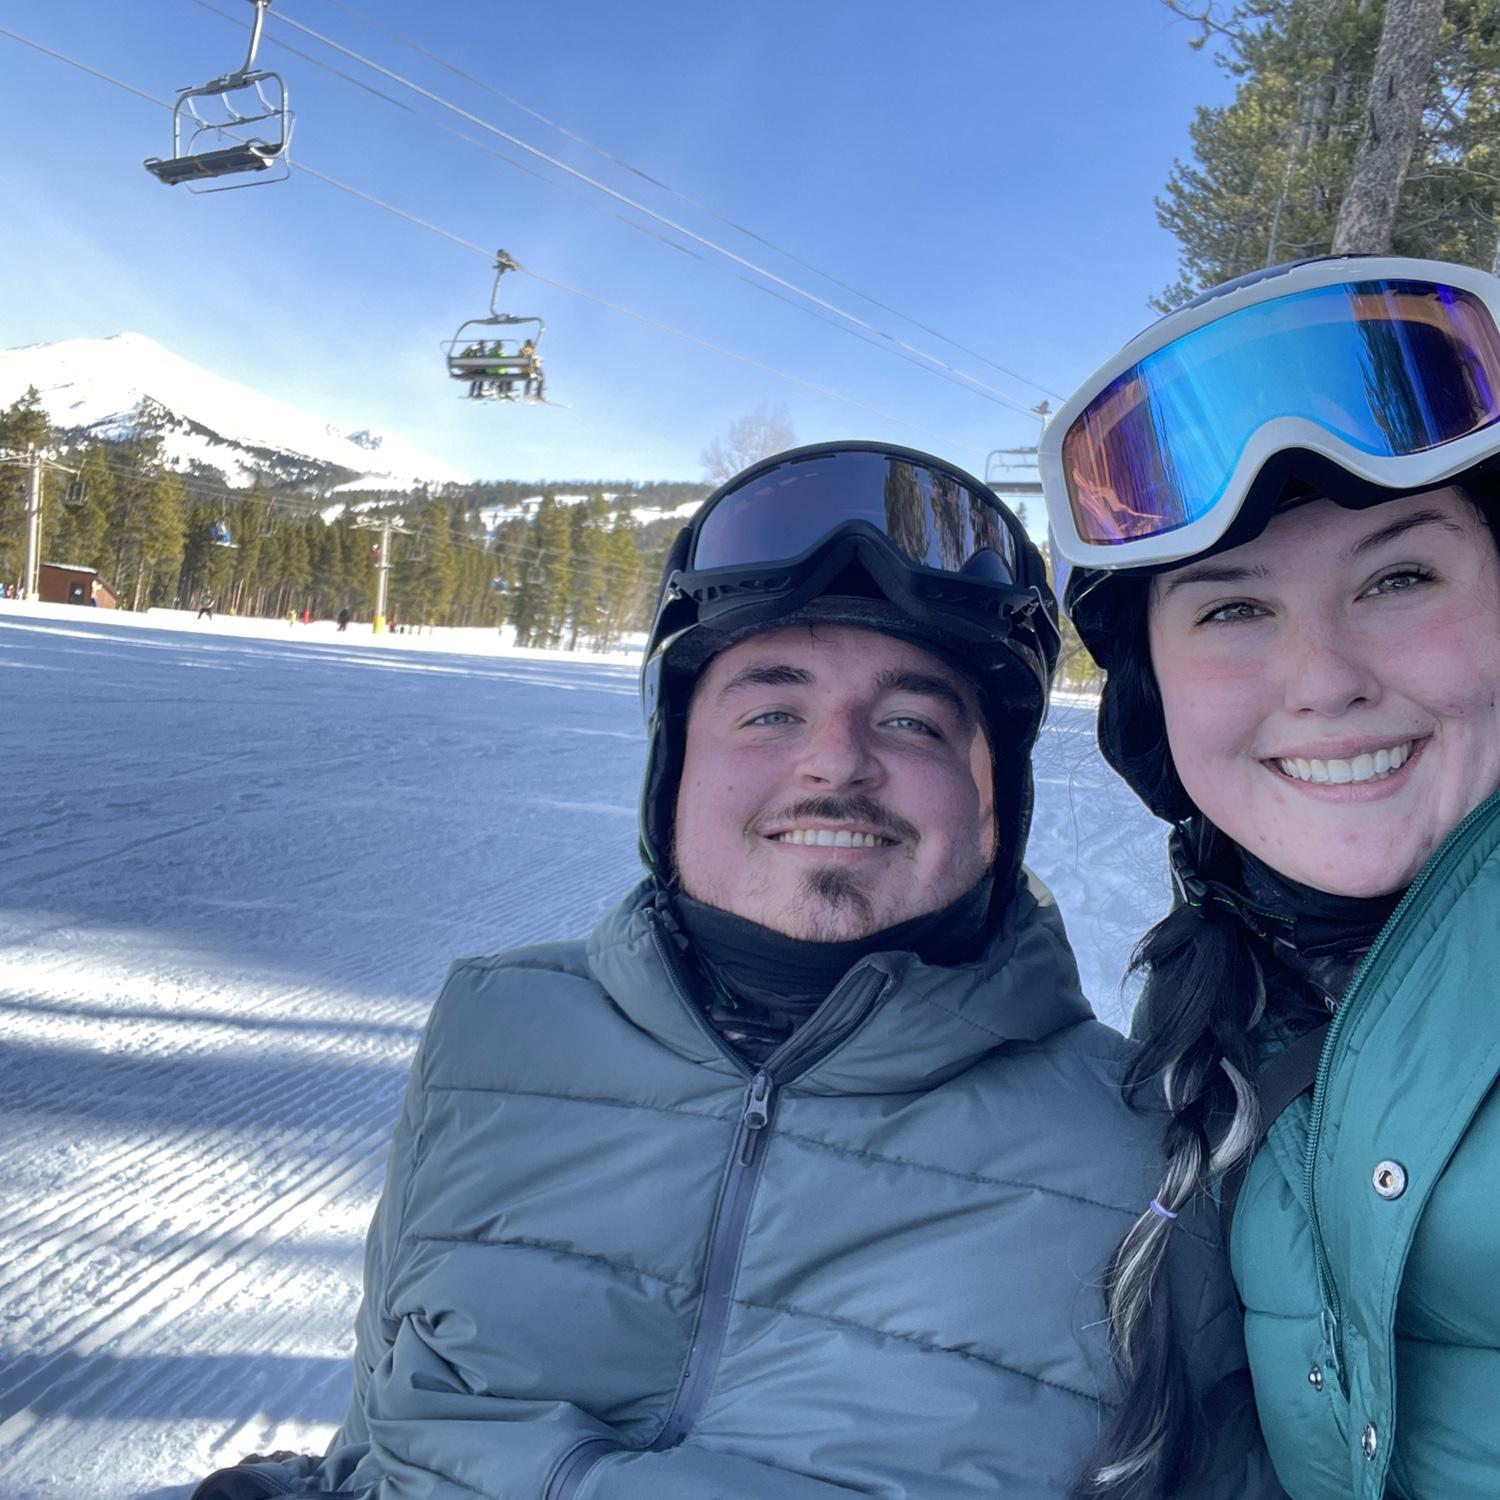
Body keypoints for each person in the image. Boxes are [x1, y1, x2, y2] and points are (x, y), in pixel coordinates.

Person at [191, 443, 1277, 1500]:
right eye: (770, 709)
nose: (837, 758)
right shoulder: (494, 1031)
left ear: (998, 800)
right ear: (673, 764)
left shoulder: (1152, 1144)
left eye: (912, 720)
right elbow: (385, 1440)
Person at [1040, 255, 1500, 1499]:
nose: (1324, 677)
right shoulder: (1217, 1003)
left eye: (1400, 577)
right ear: (1154, 697)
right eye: (1233, 611)